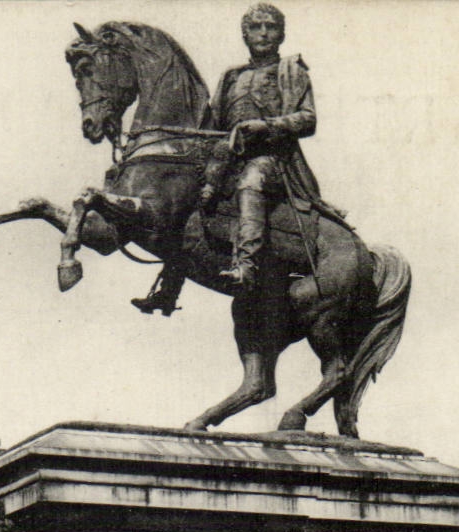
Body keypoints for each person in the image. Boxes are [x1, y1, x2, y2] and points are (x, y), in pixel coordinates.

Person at [131, 2, 333, 313]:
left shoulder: (291, 70)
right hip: (228, 159)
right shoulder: (231, 76)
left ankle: (246, 266)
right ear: (245, 34)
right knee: (187, 196)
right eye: (256, 27)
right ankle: (169, 288)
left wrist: (265, 126)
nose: (263, 33)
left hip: (273, 160)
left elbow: (307, 119)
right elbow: (214, 125)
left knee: (251, 181)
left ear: (281, 35)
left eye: (271, 27)